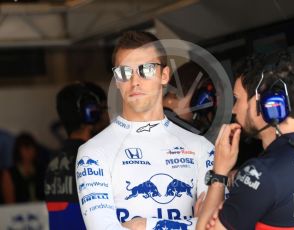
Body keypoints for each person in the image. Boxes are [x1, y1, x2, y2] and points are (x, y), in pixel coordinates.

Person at [76, 31, 214, 229]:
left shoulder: (201, 148)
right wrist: (193, 225)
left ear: (164, 75)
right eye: (124, 72)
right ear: (116, 80)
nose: (135, 82)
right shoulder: (93, 152)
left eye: (146, 70)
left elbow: (215, 226)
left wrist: (143, 226)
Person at [197, 51, 294, 229]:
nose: (233, 110)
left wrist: (219, 174)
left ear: (266, 101)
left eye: (237, 99)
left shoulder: (260, 172)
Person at [44, 82, 109, 230]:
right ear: (90, 113)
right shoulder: (93, 160)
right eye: (103, 109)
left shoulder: (53, 164)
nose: (108, 116)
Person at [2, 132, 44, 203]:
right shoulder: (10, 173)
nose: (29, 151)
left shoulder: (42, 170)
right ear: (18, 150)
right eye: (25, 147)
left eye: (31, 147)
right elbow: (9, 203)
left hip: (41, 210)